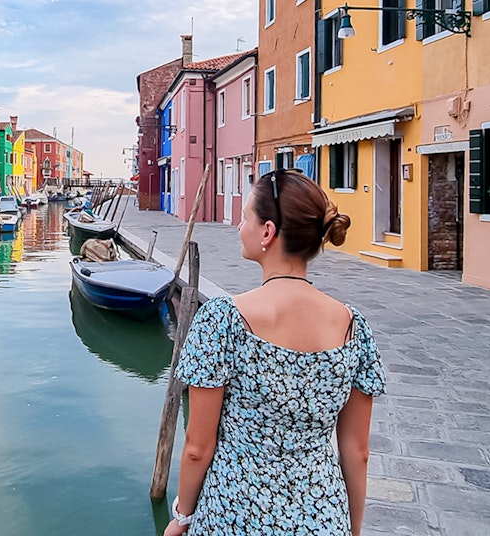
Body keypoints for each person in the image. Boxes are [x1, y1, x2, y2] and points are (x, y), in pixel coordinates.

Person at [164, 169, 386, 536]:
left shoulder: (223, 320)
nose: (239, 224)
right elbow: (357, 451)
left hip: (234, 515)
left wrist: (182, 517)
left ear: (267, 232)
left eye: (245, 216)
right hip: (323, 517)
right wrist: (352, 528)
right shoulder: (353, 326)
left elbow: (197, 448)